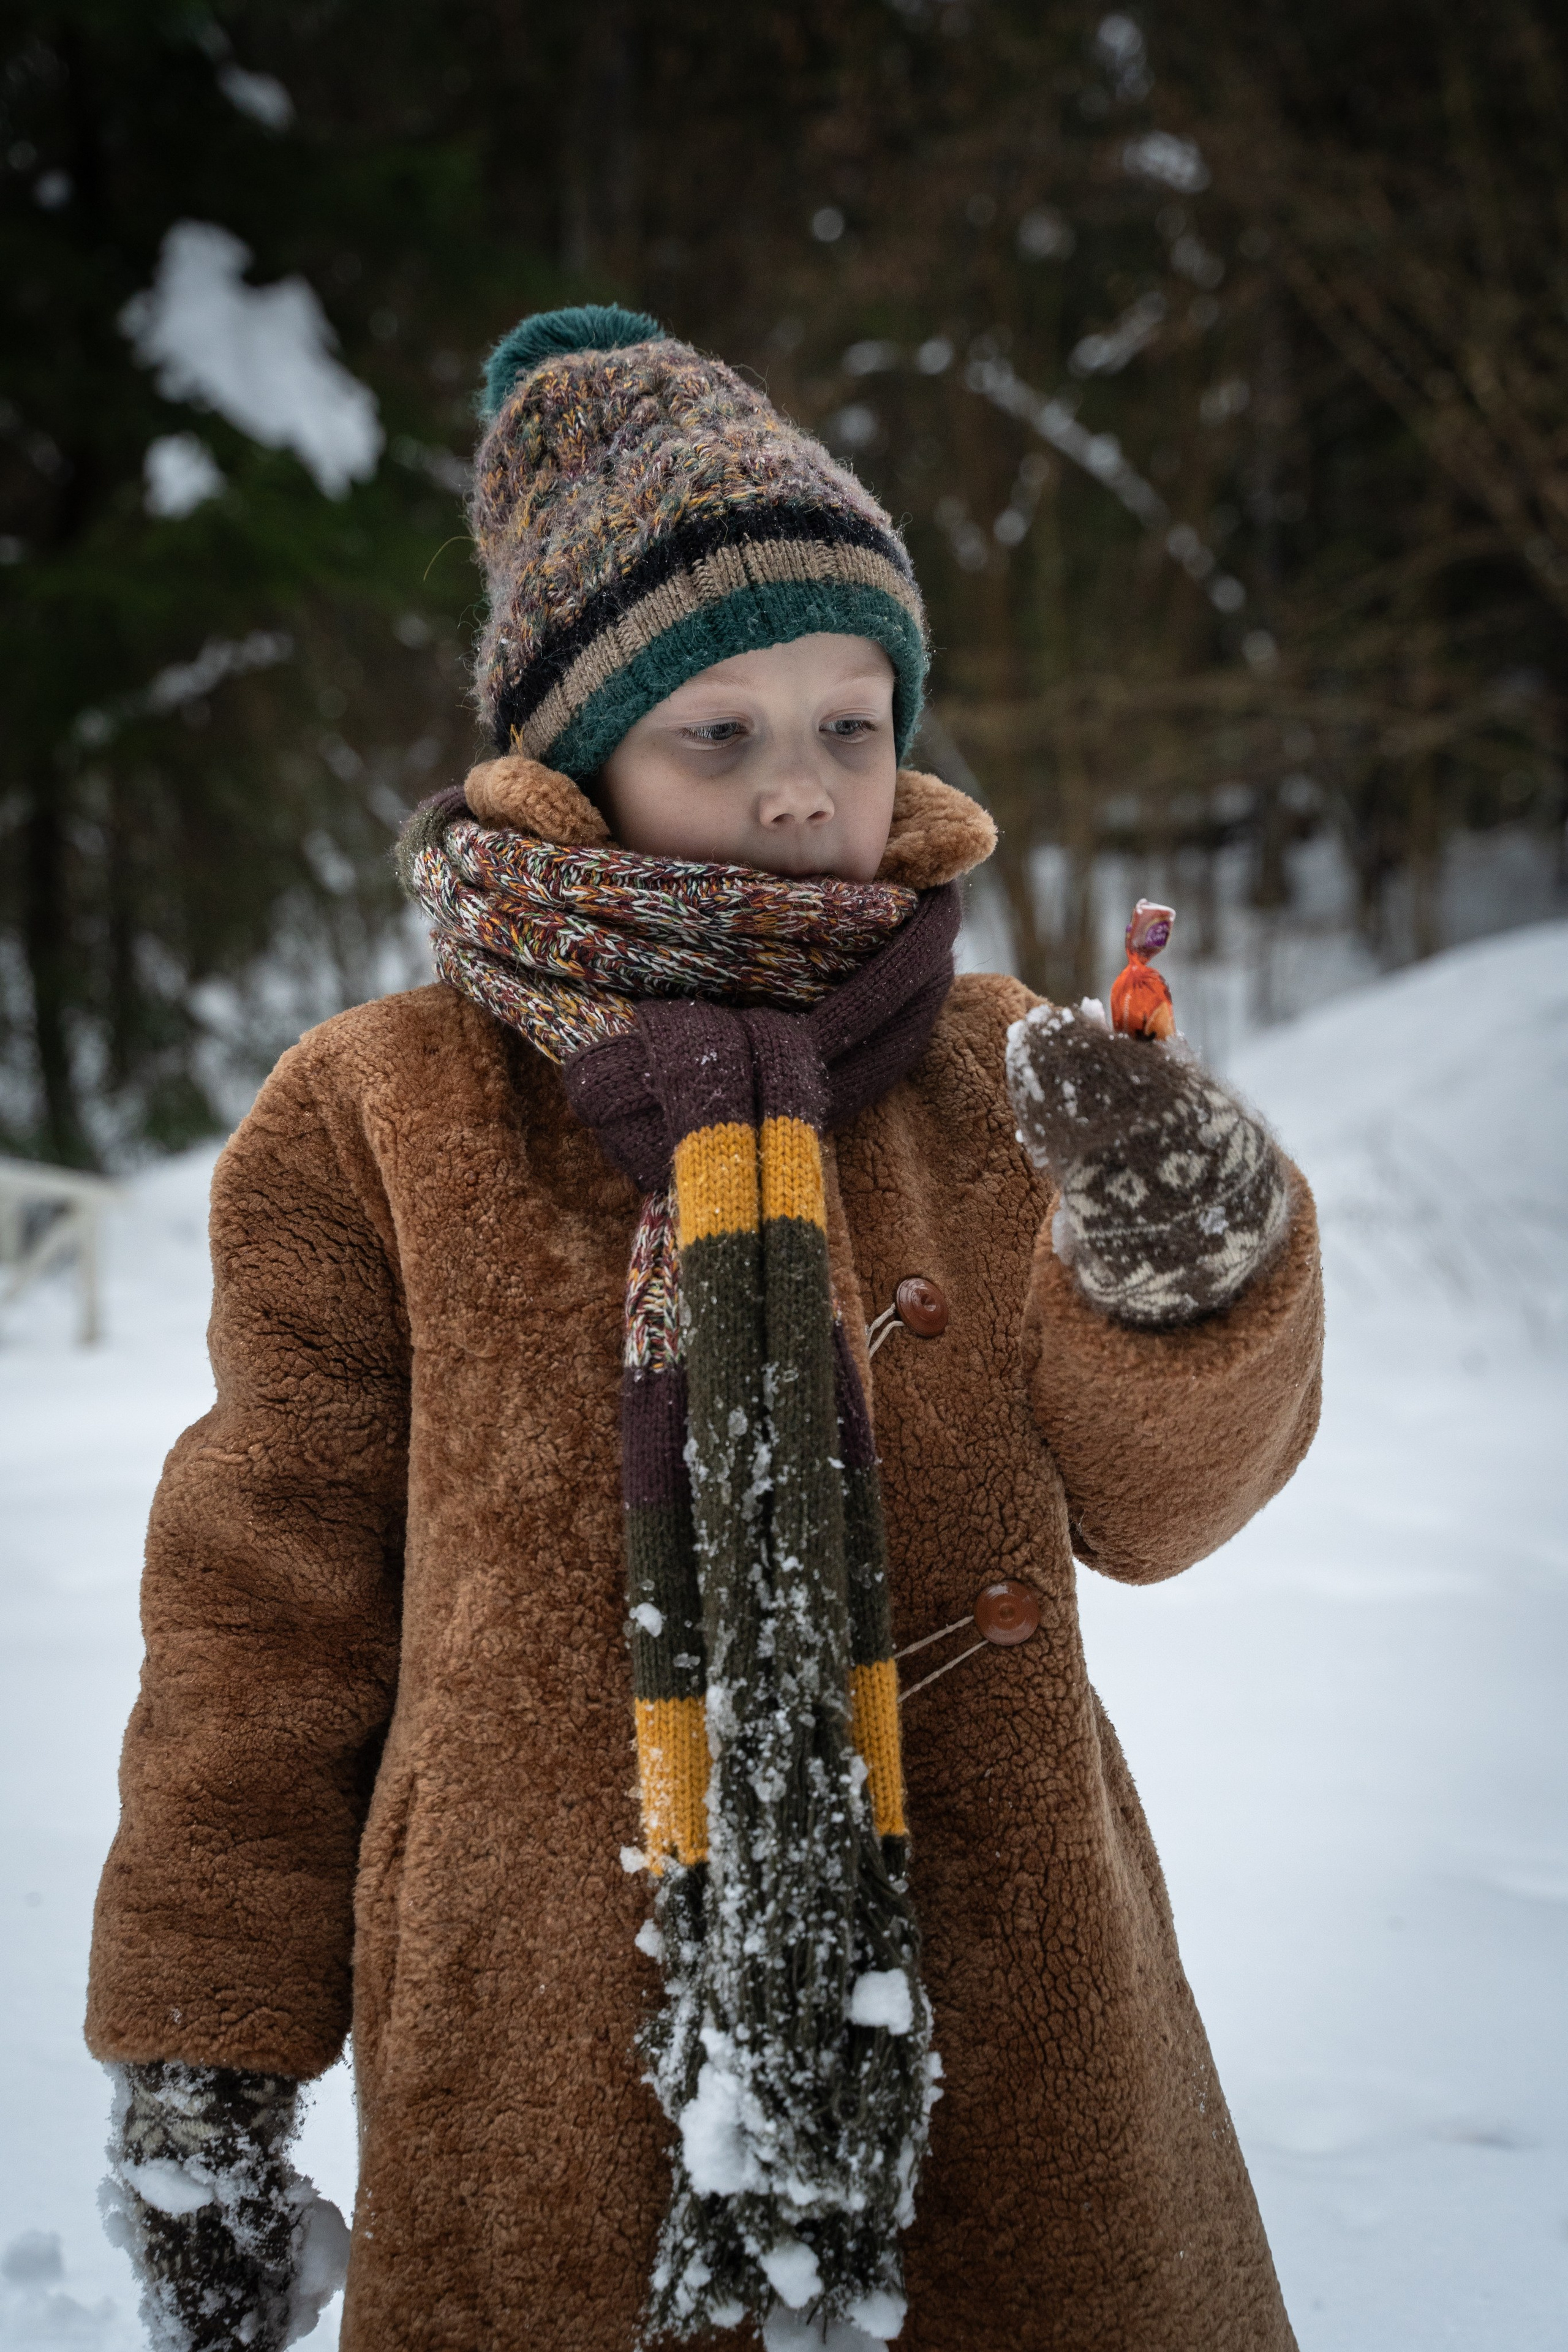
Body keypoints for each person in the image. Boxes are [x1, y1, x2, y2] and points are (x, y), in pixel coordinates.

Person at [86, 306, 1323, 2352]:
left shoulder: (997, 1068)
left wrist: (1195, 1267)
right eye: (718, 733)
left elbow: (1159, 1506)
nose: (798, 793)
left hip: (1021, 2037)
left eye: (850, 723)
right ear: (572, 763)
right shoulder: (388, 1111)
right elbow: (262, 1612)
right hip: (548, 2058)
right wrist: (205, 2064)